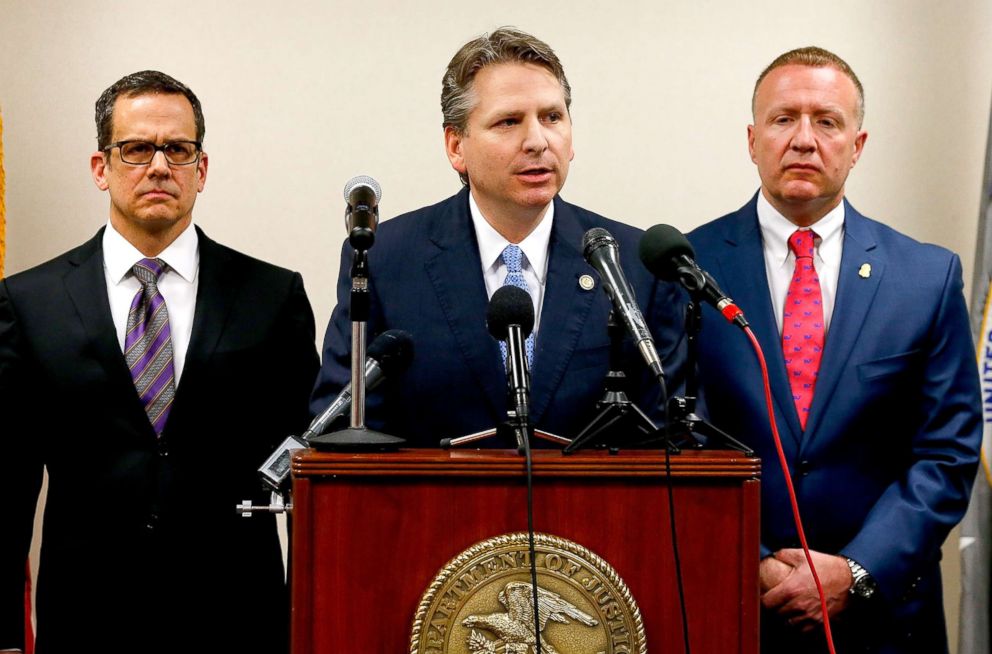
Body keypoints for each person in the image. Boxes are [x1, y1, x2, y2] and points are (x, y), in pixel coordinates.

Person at [0, 71, 319, 653]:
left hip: (236, 614)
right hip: (87, 614)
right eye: (137, 148)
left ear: (202, 169)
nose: (158, 166)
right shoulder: (28, 302)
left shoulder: (271, 297)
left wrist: (316, 617)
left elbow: (305, 472)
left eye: (178, 149)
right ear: (102, 168)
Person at [687, 47, 982, 653]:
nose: (803, 139)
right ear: (752, 139)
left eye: (826, 121)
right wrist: (759, 563)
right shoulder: (684, 269)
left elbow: (947, 453)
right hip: (733, 609)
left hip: (884, 621)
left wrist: (857, 570)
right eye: (783, 119)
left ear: (858, 143)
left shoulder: (925, 277)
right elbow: (675, 441)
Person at [310, 27, 686, 447]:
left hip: (590, 511)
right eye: (509, 122)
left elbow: (671, 436)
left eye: (552, 117)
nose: (538, 141)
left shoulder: (633, 263)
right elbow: (341, 431)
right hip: (433, 511)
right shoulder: (387, 260)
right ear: (456, 146)